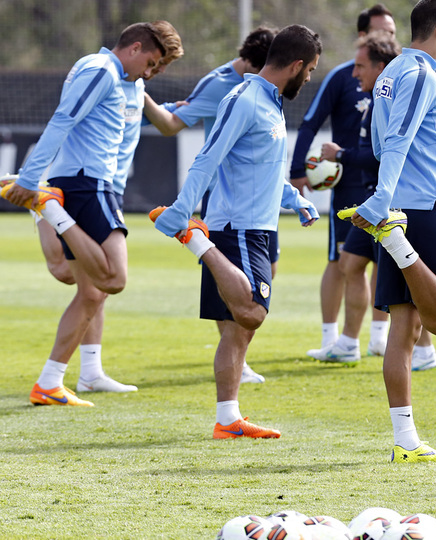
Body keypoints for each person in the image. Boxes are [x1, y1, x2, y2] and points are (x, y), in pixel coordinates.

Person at [151, 24, 321, 439]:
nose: (310, 78)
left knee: (236, 328)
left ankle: (227, 420)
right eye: (311, 70)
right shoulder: (243, 99)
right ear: (296, 65)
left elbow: (261, 168)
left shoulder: (270, 102)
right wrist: (182, 212)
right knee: (252, 312)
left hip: (257, 225)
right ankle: (195, 240)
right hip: (237, 228)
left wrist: (294, 199)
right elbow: (208, 158)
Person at [1, 23, 166, 407]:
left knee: (87, 289)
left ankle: (64, 379)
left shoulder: (126, 81)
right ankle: (48, 207)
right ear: (134, 47)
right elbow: (64, 119)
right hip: (88, 181)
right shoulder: (100, 69)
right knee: (113, 277)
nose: (150, 72)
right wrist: (29, 178)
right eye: (151, 62)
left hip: (97, 183)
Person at [342, 0, 436, 462]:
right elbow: (394, 144)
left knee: (403, 326)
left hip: (402, 204)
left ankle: (405, 441)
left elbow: (383, 139)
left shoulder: (391, 74)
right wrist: (380, 202)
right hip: (432, 206)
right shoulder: (421, 75)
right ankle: (396, 240)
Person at [144, 26, 276, 384]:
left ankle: (238, 360)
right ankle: (236, 362)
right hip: (226, 201)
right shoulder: (220, 84)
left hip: (260, 202)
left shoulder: (261, 92)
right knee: (237, 291)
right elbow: (173, 124)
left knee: (263, 280)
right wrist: (142, 93)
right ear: (254, 63)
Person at [290, 4, 415, 363]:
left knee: (387, 264)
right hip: (353, 186)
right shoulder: (347, 78)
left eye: (392, 32)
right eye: (381, 31)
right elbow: (312, 121)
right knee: (344, 261)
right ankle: (343, 340)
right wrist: (299, 168)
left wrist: (342, 155)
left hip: (382, 190)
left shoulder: (395, 89)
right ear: (364, 36)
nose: (389, 37)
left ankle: (402, 342)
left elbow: (384, 152)